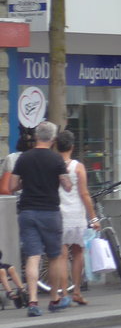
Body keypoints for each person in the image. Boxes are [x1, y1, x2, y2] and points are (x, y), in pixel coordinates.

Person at [11, 121, 70, 316]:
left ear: (36, 137)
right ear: (52, 139)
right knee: (53, 257)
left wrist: (27, 183)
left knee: (33, 257)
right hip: (50, 212)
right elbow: (67, 185)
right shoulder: (56, 160)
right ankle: (54, 300)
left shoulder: (23, 158)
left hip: (27, 212)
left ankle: (33, 303)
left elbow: (12, 186)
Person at [54, 130, 99, 306]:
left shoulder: (54, 165)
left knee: (62, 255)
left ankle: (64, 293)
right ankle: (77, 291)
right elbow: (84, 193)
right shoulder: (77, 166)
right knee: (78, 252)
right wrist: (93, 217)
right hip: (76, 214)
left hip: (59, 213)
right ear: (72, 146)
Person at [1, 129, 34, 195]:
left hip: (14, 195)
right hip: (32, 194)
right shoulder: (38, 158)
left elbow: (2, 175)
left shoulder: (11, 157)